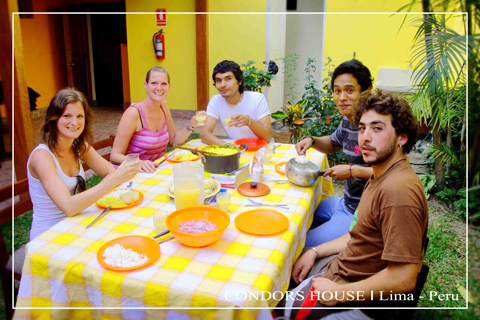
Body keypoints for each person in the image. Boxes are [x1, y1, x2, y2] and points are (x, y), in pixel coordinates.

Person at [283, 89, 428, 319]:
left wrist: (339, 293)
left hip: (358, 301)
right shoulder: (379, 174)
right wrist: (314, 251)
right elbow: (356, 234)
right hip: (341, 272)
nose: (365, 137)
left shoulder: (398, 192)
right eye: (362, 128)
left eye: (377, 128)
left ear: (402, 137)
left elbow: (404, 276)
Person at [27, 88, 140, 240]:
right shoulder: (42, 156)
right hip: (48, 235)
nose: (74, 123)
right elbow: (68, 206)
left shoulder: (79, 146)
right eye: (67, 116)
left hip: (75, 224)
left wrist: (116, 177)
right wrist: (114, 179)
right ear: (54, 118)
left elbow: (110, 173)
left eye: (79, 116)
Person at [295, 59, 374, 247]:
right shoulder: (348, 121)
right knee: (297, 211)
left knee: (300, 245)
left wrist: (353, 171)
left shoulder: (374, 128)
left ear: (367, 91)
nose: (342, 97)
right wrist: (312, 140)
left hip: (360, 213)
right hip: (344, 203)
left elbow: (392, 173)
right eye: (337, 91)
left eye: (349, 90)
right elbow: (332, 143)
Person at [110, 67, 205, 173]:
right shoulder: (133, 113)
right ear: (146, 85)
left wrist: (191, 125)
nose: (159, 88)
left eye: (164, 84)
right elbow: (114, 156)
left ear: (169, 86)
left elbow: (173, 141)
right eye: (154, 83)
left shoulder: (163, 106)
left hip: (153, 171)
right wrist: (139, 162)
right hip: (129, 174)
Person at [200, 60, 273, 144]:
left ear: (239, 81)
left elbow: (267, 137)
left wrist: (249, 121)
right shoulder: (216, 101)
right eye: (218, 80)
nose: (223, 85)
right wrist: (226, 146)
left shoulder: (257, 99)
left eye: (228, 79)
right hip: (238, 149)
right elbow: (204, 134)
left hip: (262, 149)